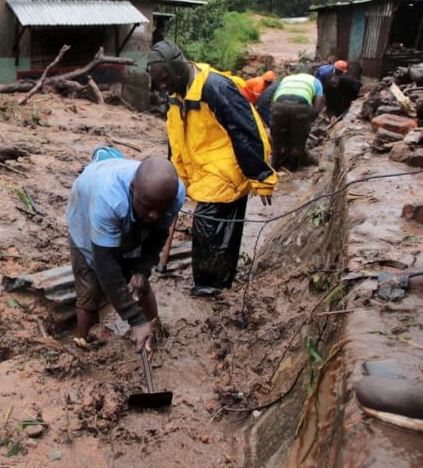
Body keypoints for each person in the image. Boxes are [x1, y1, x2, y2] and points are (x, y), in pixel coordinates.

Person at [147, 41, 277, 297]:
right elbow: (175, 139)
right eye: (157, 82)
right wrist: (177, 176)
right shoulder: (176, 95)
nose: (162, 87)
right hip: (202, 171)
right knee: (221, 232)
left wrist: (261, 176)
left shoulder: (215, 87)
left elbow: (247, 132)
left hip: (227, 170)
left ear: (178, 68)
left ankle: (210, 287)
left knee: (208, 223)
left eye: (164, 79)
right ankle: (220, 281)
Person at [66, 154, 186, 352]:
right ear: (132, 189)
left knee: (139, 284)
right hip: (86, 212)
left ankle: (154, 334)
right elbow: (105, 265)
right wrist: (136, 320)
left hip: (128, 209)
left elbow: (157, 236)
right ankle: (87, 347)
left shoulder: (173, 195)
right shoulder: (109, 200)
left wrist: (141, 271)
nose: (155, 215)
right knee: (90, 289)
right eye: (148, 207)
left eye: (160, 210)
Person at [270, 68, 324, 170]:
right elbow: (317, 107)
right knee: (298, 144)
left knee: (277, 143)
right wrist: (308, 121)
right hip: (301, 106)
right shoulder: (316, 82)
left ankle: (274, 168)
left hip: (279, 105)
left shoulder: (287, 79)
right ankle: (293, 170)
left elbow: (273, 101)